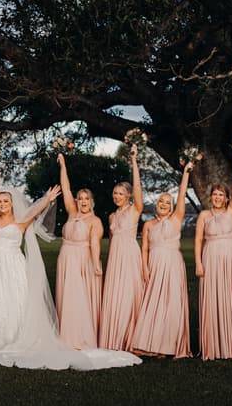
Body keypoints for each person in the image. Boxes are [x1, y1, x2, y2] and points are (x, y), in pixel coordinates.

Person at [0, 156, 141, 370]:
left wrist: (48, 198)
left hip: (13, 266)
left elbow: (37, 209)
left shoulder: (21, 222)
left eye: (6, 201)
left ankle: (14, 337)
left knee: (15, 302)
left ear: (12, 203)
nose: (2, 204)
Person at [130, 161, 193, 358]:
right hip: (154, 266)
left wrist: (185, 172)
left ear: (171, 206)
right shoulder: (148, 224)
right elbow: (145, 249)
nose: (164, 204)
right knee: (153, 304)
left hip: (173, 265)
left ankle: (169, 346)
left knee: (172, 303)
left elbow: (182, 193)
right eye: (161, 201)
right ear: (156, 205)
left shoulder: (177, 219)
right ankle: (150, 343)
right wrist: (145, 268)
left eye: (167, 202)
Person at [194, 152, 232, 360]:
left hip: (230, 258)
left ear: (227, 198)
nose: (218, 197)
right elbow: (198, 241)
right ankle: (214, 345)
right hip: (210, 257)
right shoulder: (204, 215)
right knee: (212, 298)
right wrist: (198, 263)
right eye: (215, 194)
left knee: (230, 297)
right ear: (211, 197)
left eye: (221, 195)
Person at [54, 153, 104, 350]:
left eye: (86, 199)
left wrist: (96, 264)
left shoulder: (95, 221)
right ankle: (65, 335)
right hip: (65, 258)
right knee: (66, 297)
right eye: (80, 198)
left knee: (78, 298)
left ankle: (79, 338)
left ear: (91, 201)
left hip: (82, 260)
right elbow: (65, 188)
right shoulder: (71, 212)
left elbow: (95, 244)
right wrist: (63, 165)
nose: (83, 201)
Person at [99, 144, 144, 351]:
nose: (116, 196)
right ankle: (113, 335)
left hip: (130, 256)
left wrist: (133, 161)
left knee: (129, 293)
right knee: (114, 294)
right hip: (116, 258)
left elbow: (137, 187)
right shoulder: (111, 216)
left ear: (128, 196)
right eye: (115, 193)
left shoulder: (135, 210)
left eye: (120, 194)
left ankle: (132, 337)